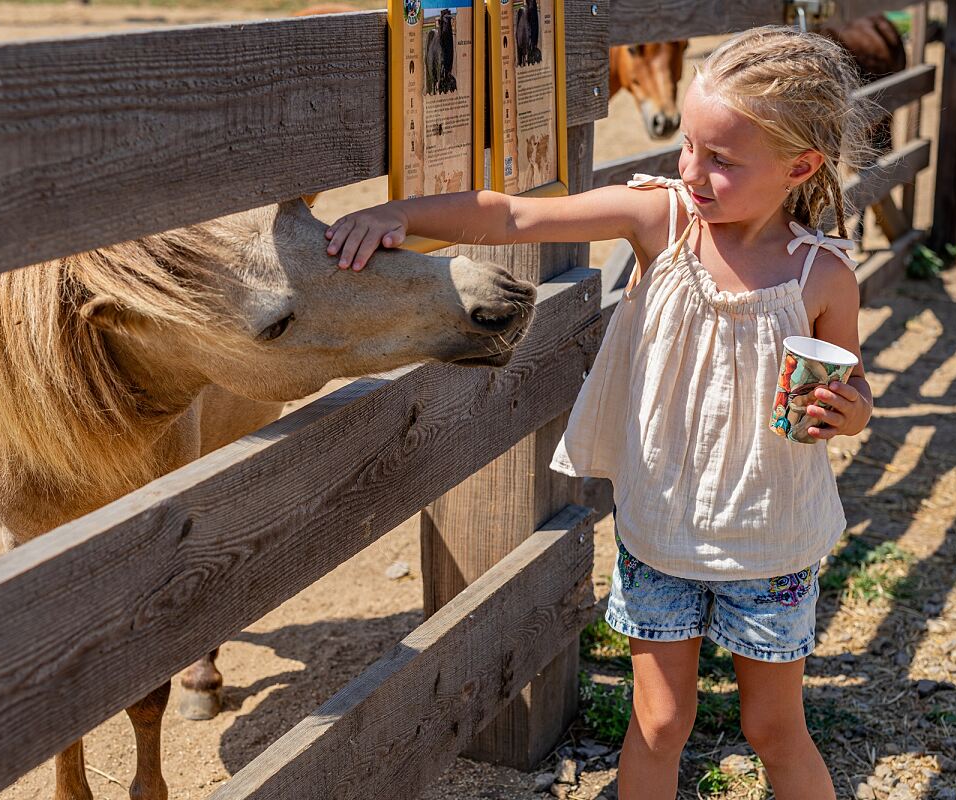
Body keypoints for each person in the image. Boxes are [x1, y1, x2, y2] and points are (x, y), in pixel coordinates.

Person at [325, 25, 874, 800]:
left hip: (772, 541)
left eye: (721, 160)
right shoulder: (664, 221)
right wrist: (403, 215)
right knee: (657, 724)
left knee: (774, 731)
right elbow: (514, 217)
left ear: (801, 166)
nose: (692, 171)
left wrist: (844, 412)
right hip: (658, 529)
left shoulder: (823, 275)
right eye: (689, 146)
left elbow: (853, 393)